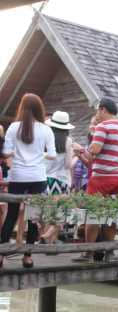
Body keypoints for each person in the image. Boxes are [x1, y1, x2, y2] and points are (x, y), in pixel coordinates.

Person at [0, 93, 56, 269]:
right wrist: (40, 155)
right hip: (38, 177)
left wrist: (18, 154)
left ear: (21, 108)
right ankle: (28, 257)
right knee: (33, 217)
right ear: (40, 109)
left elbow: (6, 153)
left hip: (18, 176)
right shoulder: (46, 129)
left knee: (11, 215)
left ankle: (1, 256)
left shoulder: (13, 127)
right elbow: (53, 155)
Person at [73, 98, 118, 262]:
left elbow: (94, 151)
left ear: (103, 109)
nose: (96, 114)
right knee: (111, 215)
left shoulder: (102, 127)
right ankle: (110, 252)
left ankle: (88, 253)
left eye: (97, 111)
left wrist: (81, 150)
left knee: (93, 215)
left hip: (102, 178)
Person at [39, 111, 75, 245]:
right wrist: (76, 157)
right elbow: (68, 164)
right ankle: (48, 236)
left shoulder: (44, 138)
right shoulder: (68, 141)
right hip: (60, 181)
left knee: (48, 212)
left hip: (44, 180)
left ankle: (49, 242)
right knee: (63, 212)